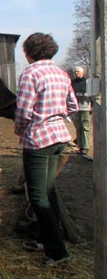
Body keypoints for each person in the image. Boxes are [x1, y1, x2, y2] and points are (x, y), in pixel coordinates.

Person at [14, 33, 78, 266]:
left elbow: (22, 111)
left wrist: (20, 128)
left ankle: (57, 252)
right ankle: (46, 239)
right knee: (48, 191)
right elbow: (73, 105)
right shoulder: (61, 73)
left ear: (28, 52)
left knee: (38, 196)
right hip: (60, 137)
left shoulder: (31, 74)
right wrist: (56, 119)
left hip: (38, 141)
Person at [71, 66, 92, 160]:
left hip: (85, 106)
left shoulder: (88, 82)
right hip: (75, 107)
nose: (76, 73)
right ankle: (80, 144)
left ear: (83, 73)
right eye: (75, 71)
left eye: (78, 71)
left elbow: (92, 95)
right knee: (78, 126)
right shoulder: (73, 83)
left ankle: (85, 147)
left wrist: (92, 106)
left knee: (85, 126)